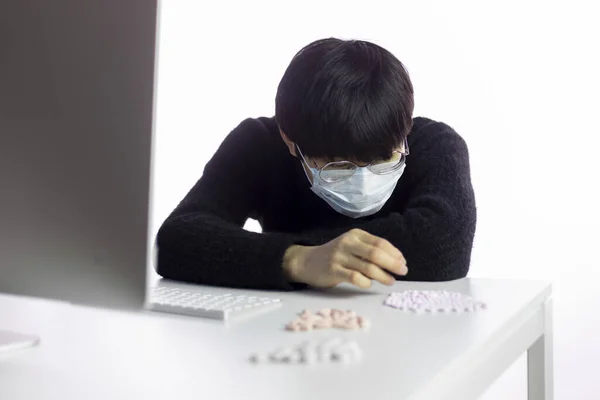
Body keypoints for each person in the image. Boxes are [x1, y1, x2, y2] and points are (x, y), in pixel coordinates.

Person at [155, 38, 477, 291]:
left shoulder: (436, 143)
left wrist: (299, 251)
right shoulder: (258, 144)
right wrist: (296, 259)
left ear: (404, 130)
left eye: (383, 159)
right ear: (289, 139)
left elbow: (442, 244)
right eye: (338, 166)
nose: (364, 180)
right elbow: (177, 240)